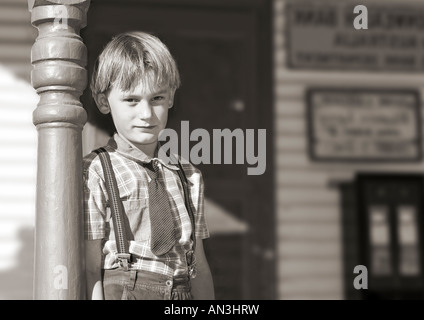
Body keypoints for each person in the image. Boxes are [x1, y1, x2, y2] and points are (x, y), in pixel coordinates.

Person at [83, 31, 215, 300]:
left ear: (171, 98)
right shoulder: (95, 170)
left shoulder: (189, 176)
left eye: (156, 98)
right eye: (131, 100)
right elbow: (89, 267)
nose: (146, 114)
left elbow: (198, 265)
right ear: (102, 101)